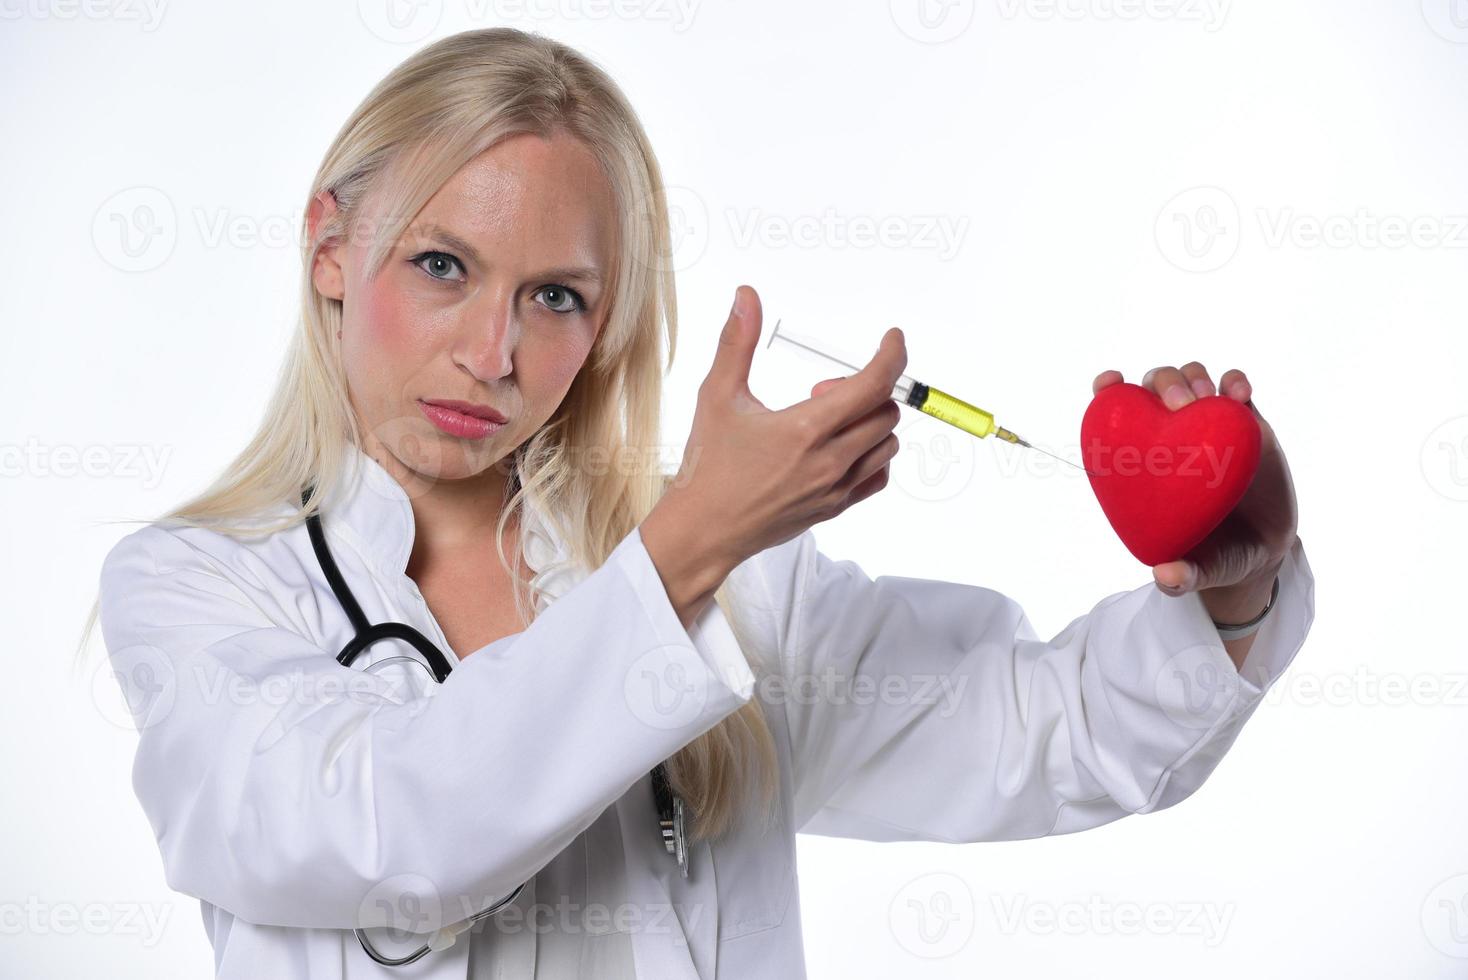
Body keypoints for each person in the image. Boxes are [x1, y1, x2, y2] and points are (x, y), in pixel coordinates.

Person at [86, 26, 1315, 980]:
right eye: (443, 265)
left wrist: (1231, 572)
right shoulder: (198, 583)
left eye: (557, 296)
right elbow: (385, 827)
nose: (492, 351)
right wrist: (687, 547)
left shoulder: (731, 578)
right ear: (331, 250)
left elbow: (1046, 728)